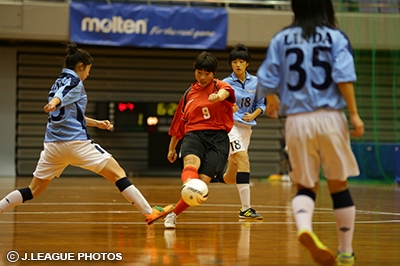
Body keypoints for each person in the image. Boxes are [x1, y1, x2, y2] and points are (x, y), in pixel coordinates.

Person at [0, 43, 173, 225]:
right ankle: (148, 211)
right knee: (118, 173)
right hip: (76, 143)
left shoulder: (57, 81)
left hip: (52, 146)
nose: (88, 74)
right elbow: (62, 94)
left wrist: (97, 123)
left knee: (33, 189)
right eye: (88, 70)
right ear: (80, 66)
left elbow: (71, 113)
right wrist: (54, 103)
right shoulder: (74, 82)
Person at [256, 0, 364, 265]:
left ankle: (305, 227)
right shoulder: (336, 37)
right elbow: (343, 76)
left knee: (305, 185)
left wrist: (272, 101)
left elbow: (266, 78)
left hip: (297, 121)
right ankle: (346, 251)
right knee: (339, 185)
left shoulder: (282, 38)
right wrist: (354, 114)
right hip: (330, 118)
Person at [164, 51, 236, 229]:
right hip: (194, 135)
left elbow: (227, 93)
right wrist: (172, 148)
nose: (202, 77)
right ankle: (188, 185)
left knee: (201, 184)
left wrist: (218, 97)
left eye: (207, 73)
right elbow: (178, 124)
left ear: (213, 74)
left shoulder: (220, 86)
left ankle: (173, 213)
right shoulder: (189, 93)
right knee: (191, 162)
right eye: (199, 72)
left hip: (218, 138)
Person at [215, 43, 278, 220]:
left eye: (241, 61)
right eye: (234, 61)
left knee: (232, 173)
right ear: (231, 65)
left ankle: (216, 177)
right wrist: (228, 107)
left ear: (247, 64)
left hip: (246, 128)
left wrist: (255, 114)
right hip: (230, 126)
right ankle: (245, 209)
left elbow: (261, 104)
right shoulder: (225, 83)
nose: (238, 64)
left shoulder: (256, 82)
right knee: (244, 159)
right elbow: (218, 103)